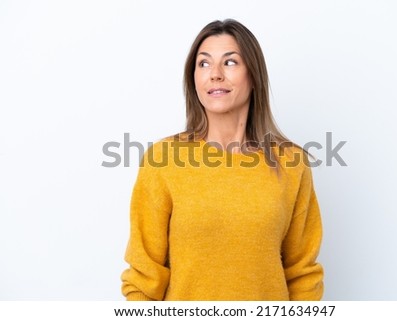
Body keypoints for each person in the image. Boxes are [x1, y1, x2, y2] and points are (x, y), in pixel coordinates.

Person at [121, 19, 324, 301]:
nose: (214, 74)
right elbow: (143, 279)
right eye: (203, 64)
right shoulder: (163, 160)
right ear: (193, 79)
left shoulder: (292, 163)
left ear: (253, 75)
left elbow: (302, 274)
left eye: (230, 63)